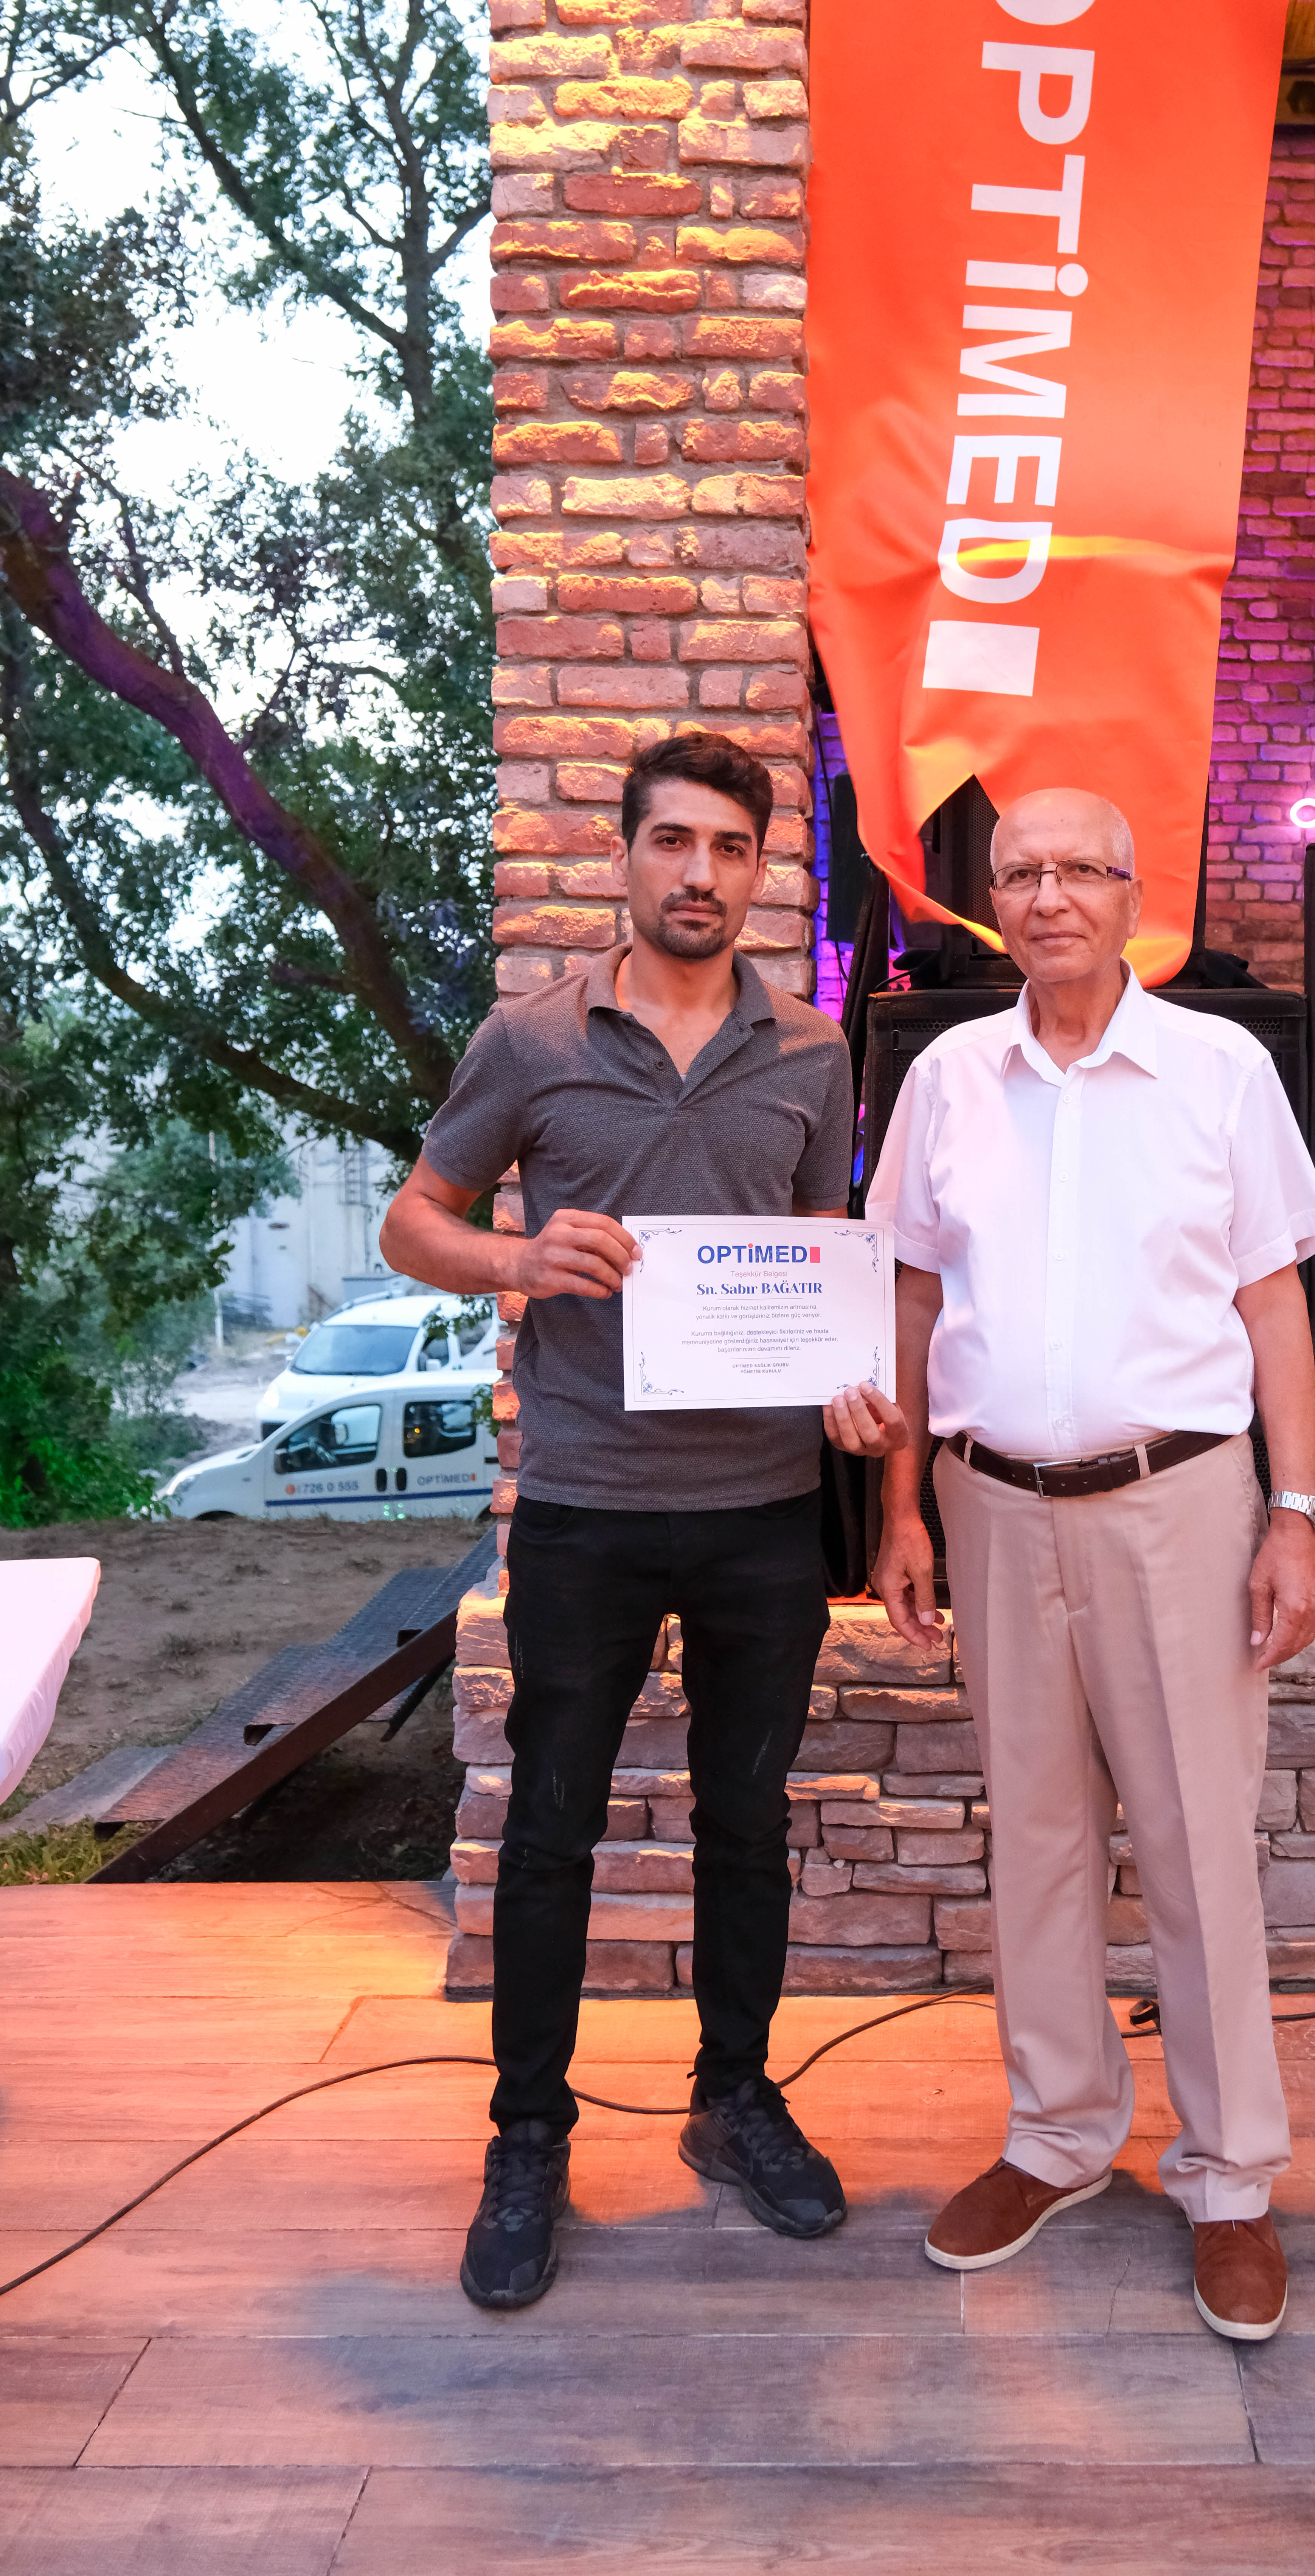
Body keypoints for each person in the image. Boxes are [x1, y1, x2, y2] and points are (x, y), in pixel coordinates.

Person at [828, 785, 1315, 2344]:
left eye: (1079, 871)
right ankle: (1055, 2137)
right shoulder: (945, 1080)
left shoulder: (1220, 1071)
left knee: (1195, 1848)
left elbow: (1272, 1304)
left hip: (1179, 1504)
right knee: (1037, 1841)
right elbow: (912, 1300)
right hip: (989, 1504)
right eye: (1020, 874)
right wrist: (902, 1509)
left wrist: (1297, 1514)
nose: (1049, 896)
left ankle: (1230, 2179)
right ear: (992, 906)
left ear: (1132, 896)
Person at [382, 732, 862, 2309]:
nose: (699, 874)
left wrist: (852, 1379)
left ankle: (736, 2097)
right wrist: (519, 1262)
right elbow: (413, 1222)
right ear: (627, 855)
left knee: (747, 1822)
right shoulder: (531, 1041)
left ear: (761, 869)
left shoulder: (812, 1050)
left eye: (730, 848)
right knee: (548, 1830)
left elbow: (821, 1251)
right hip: (585, 1507)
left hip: (763, 1514)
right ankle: (528, 2136)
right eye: (674, 842)